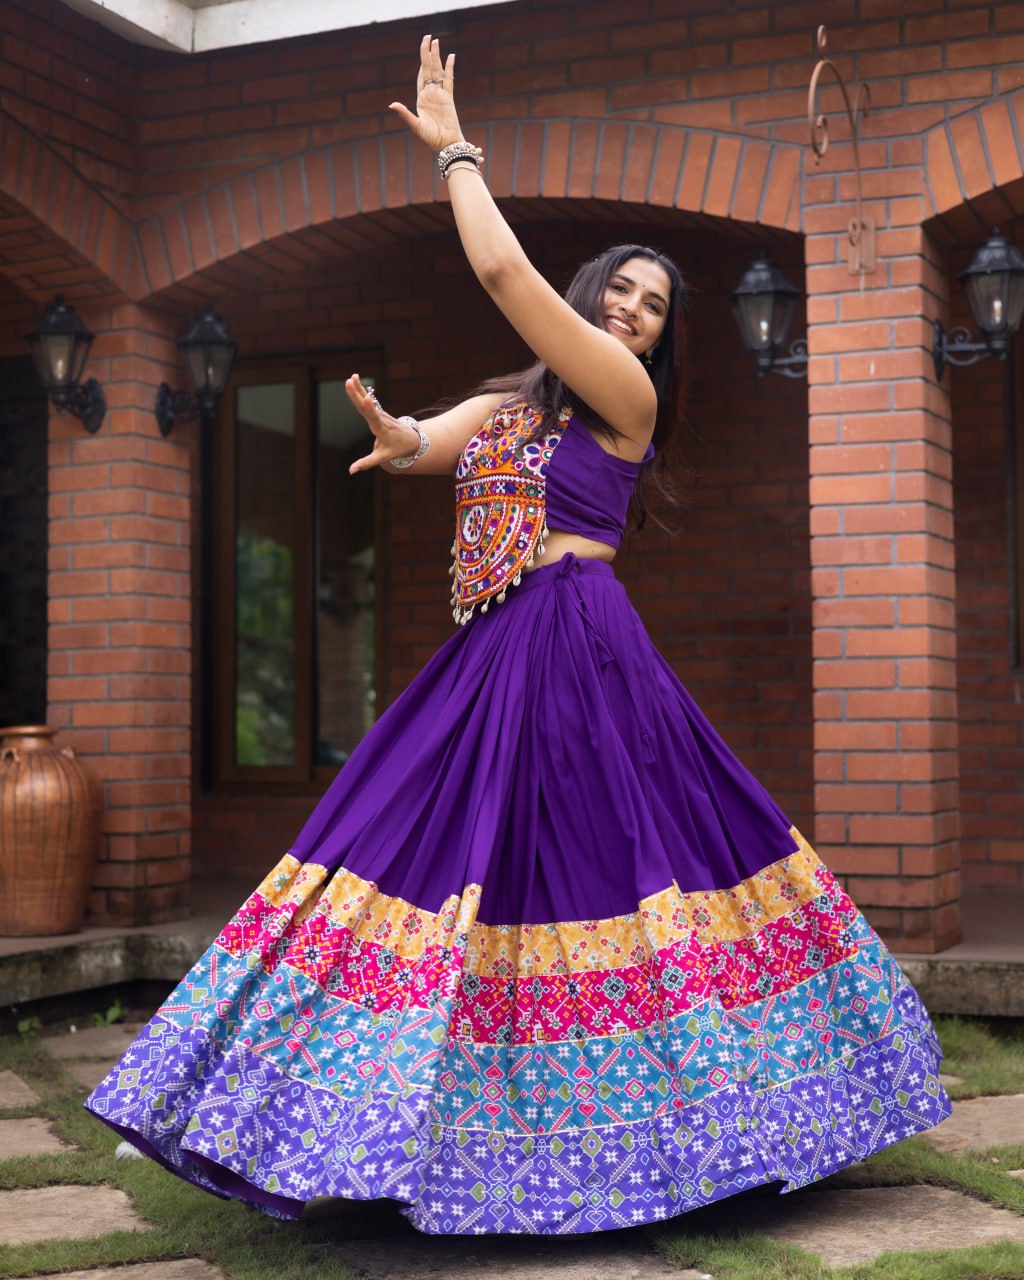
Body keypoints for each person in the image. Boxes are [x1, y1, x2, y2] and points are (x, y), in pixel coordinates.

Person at [87, 36, 951, 1236]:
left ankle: (690, 1119)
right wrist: (398, 433)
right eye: (625, 291)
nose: (634, 313)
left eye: (653, 309)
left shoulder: (622, 396)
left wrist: (454, 152)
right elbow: (444, 437)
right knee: (420, 842)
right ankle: (376, 1120)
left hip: (582, 643)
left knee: (612, 854)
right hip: (498, 646)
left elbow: (501, 271)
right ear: (599, 285)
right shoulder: (527, 396)